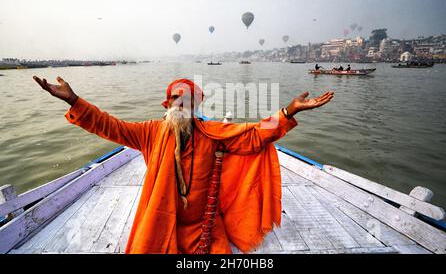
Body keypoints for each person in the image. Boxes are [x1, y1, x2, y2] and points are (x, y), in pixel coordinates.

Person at [33, 75, 333, 254]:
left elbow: (253, 136)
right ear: (167, 104)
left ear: (196, 105)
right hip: (161, 221)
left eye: (187, 99)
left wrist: (289, 110)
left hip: (204, 226)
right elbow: (109, 125)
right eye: (176, 98)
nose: (181, 103)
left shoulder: (212, 133)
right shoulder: (150, 132)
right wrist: (73, 100)